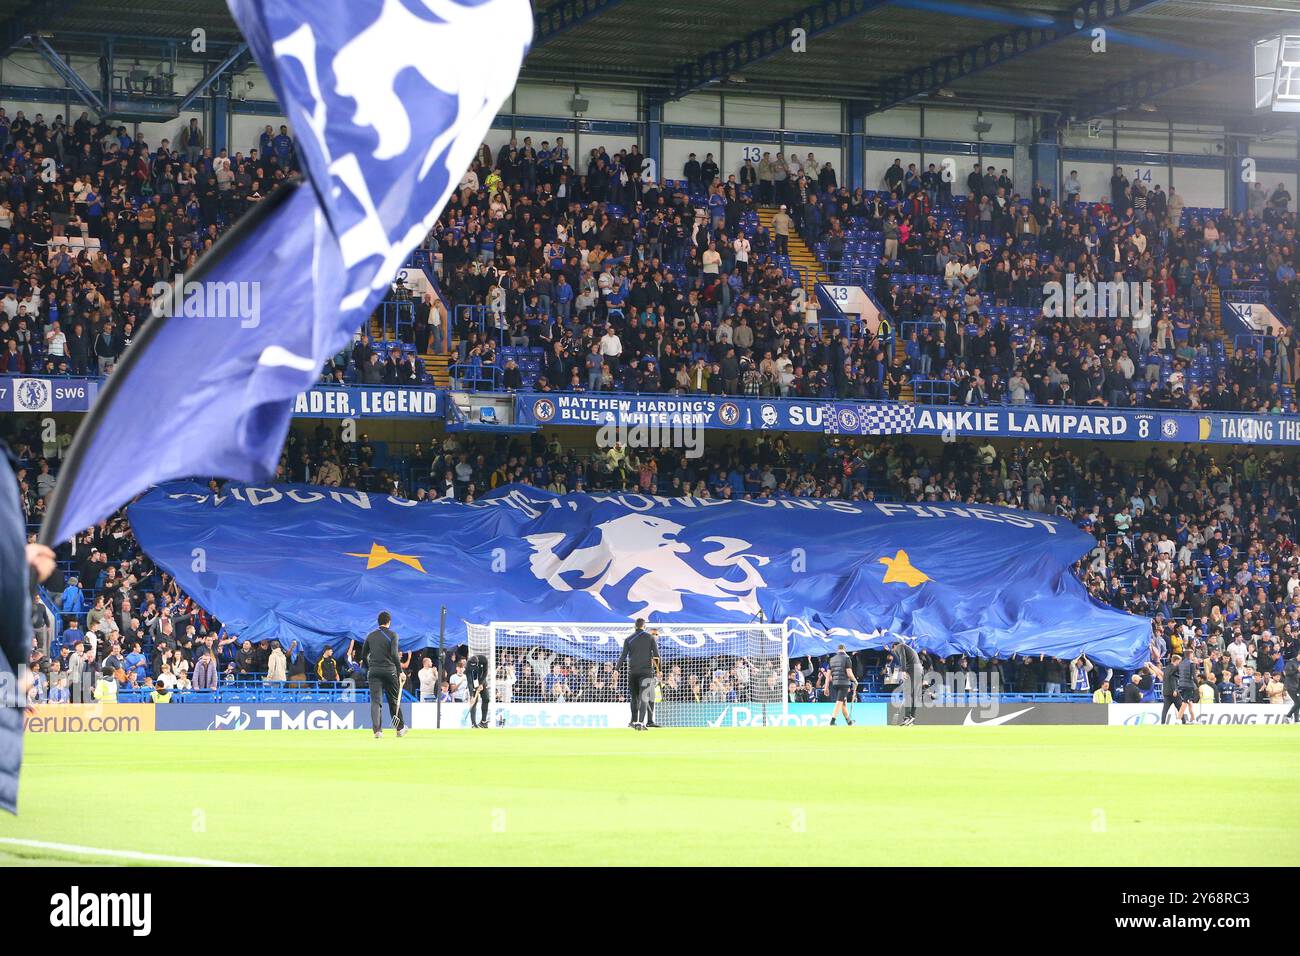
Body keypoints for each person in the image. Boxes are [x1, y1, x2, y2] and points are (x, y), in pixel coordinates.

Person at [362, 611, 407, 738]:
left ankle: (377, 731)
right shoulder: (393, 635)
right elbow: (394, 654)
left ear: (378, 622)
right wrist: (400, 671)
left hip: (374, 671)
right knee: (393, 700)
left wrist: (368, 667)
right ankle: (399, 729)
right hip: (389, 671)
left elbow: (363, 654)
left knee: (376, 702)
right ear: (389, 622)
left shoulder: (370, 636)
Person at [616, 618, 660, 730]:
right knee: (644, 696)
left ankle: (633, 721)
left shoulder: (628, 639)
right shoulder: (650, 638)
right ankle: (640, 723)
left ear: (635, 626)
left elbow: (623, 655)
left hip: (632, 672)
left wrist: (616, 669)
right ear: (644, 626)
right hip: (646, 672)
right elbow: (656, 655)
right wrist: (659, 670)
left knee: (634, 697)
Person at [890, 638, 923, 726]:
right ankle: (912, 718)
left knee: (908, 694)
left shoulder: (900, 646)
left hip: (912, 669)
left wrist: (903, 670)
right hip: (919, 670)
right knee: (914, 695)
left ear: (894, 647)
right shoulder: (910, 649)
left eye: (893, 650)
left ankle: (907, 717)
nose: (894, 652)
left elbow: (902, 657)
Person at [827, 643, 857, 726]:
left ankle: (849, 721)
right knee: (839, 702)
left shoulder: (832, 659)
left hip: (834, 683)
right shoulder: (847, 658)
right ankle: (832, 721)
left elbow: (828, 675)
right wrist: (855, 681)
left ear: (838, 649)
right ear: (844, 649)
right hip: (844, 683)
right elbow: (849, 673)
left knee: (843, 703)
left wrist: (826, 687)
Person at [466, 653, 490, 728]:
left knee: (486, 699)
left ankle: (483, 722)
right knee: (474, 702)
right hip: (473, 682)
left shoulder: (483, 659)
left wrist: (481, 684)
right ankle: (473, 724)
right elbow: (469, 681)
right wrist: (472, 695)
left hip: (482, 681)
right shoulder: (468, 665)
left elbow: (485, 673)